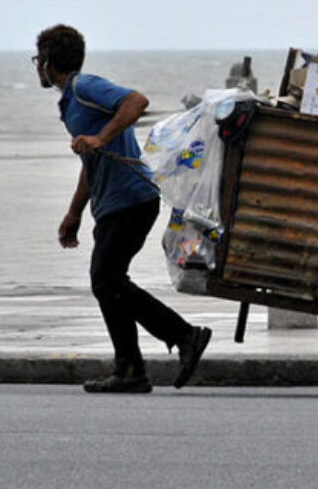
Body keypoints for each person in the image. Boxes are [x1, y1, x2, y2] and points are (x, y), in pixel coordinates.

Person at [34, 24, 211, 393]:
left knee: (106, 280)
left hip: (131, 198)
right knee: (108, 283)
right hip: (113, 203)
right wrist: (74, 213)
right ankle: (130, 368)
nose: (37, 66)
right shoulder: (70, 103)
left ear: (49, 62)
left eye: (38, 59)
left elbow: (136, 101)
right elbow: (92, 161)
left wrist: (100, 136)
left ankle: (183, 336)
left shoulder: (84, 86)